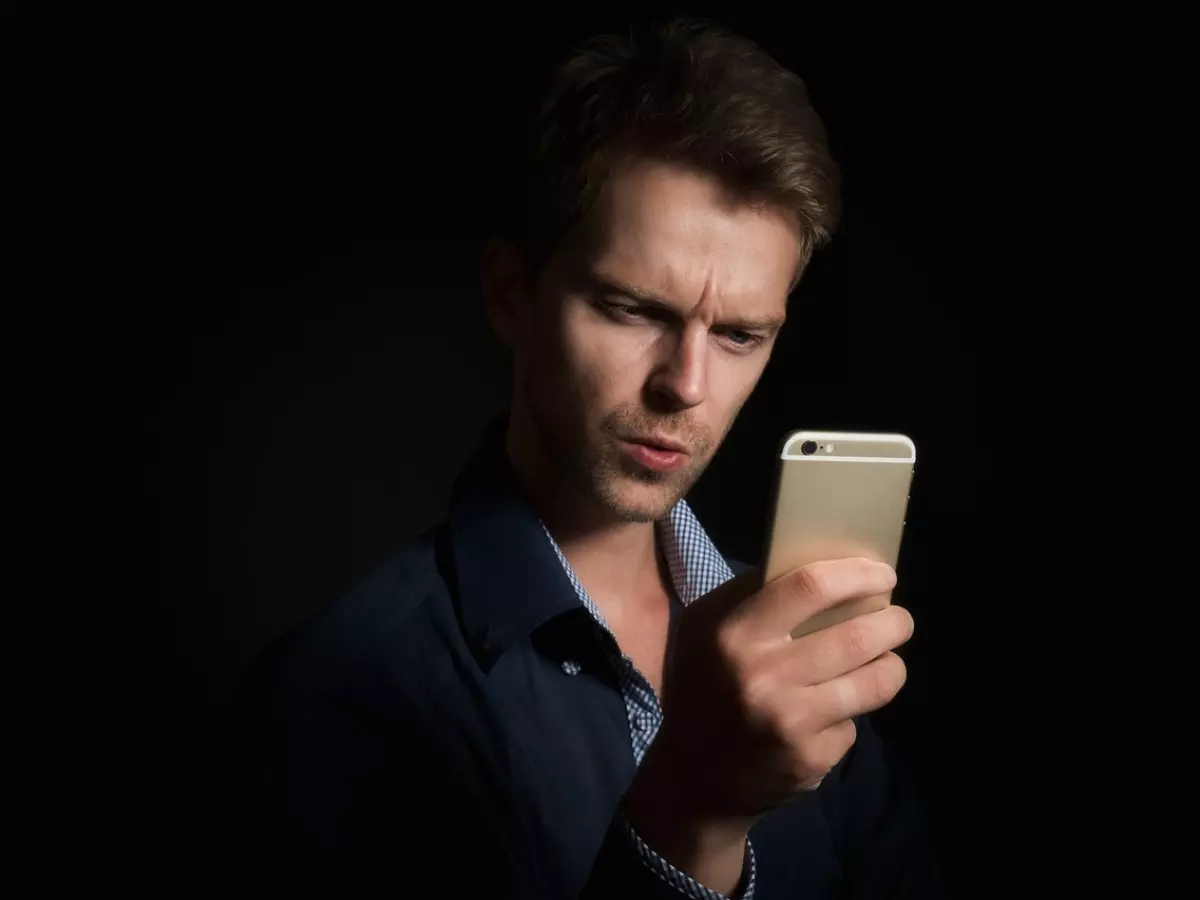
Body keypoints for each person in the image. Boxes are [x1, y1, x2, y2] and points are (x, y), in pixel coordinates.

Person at [238, 16, 944, 899]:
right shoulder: (337, 696)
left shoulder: (796, 642)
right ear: (511, 295)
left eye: (739, 335)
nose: (686, 386)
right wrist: (694, 812)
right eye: (633, 309)